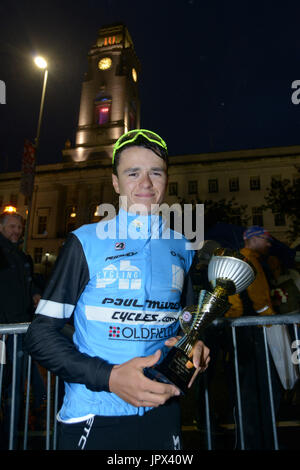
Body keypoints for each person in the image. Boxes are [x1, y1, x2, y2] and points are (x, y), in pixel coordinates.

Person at [24, 129, 210, 451]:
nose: (146, 184)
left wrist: (197, 346)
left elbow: (188, 321)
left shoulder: (183, 246)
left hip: (163, 412)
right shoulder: (85, 241)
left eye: (156, 172)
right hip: (95, 414)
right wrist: (109, 377)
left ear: (167, 179)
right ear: (115, 183)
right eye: (133, 173)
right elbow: (39, 336)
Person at [225, 225, 283, 449]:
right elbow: (260, 304)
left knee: (247, 393)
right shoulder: (250, 261)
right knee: (260, 392)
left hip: (241, 334)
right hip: (253, 334)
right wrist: (274, 322)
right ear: (253, 239)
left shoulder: (241, 259)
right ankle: (260, 442)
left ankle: (253, 441)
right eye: (266, 238)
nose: (269, 243)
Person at [0, 212, 44, 449]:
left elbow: (28, 281)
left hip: (18, 329)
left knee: (14, 379)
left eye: (19, 227)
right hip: (5, 330)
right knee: (10, 381)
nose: (16, 231)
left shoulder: (20, 254)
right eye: (12, 227)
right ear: (1, 227)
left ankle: (11, 432)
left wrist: (35, 293)